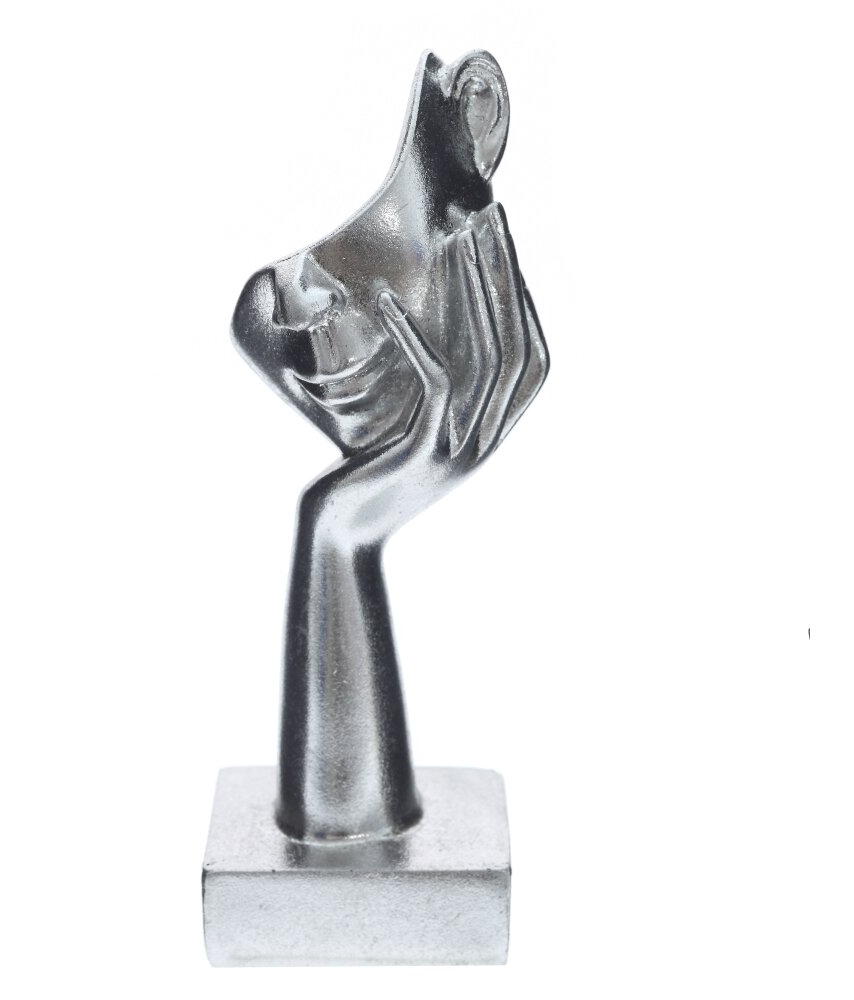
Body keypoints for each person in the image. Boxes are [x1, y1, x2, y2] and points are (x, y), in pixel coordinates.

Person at [231, 49, 549, 841]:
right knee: (329, 520)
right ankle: (348, 825)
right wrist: (340, 528)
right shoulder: (283, 308)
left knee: (330, 522)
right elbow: (258, 319)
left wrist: (342, 527)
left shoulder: (450, 231)